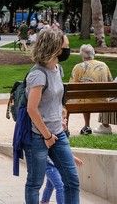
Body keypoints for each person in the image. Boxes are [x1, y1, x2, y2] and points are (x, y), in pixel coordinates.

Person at [23, 28, 80, 204]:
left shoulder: (58, 69)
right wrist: (47, 135)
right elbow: (31, 109)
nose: (68, 50)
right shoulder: (38, 74)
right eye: (65, 46)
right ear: (53, 48)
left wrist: (61, 109)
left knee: (72, 181)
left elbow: (54, 97)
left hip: (58, 134)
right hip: (39, 136)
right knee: (35, 183)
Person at [68, 44, 113, 135]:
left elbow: (71, 85)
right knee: (91, 95)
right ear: (93, 53)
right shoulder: (103, 65)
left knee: (82, 96)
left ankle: (86, 126)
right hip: (103, 101)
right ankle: (105, 125)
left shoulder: (78, 67)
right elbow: (110, 81)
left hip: (86, 102)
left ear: (82, 55)